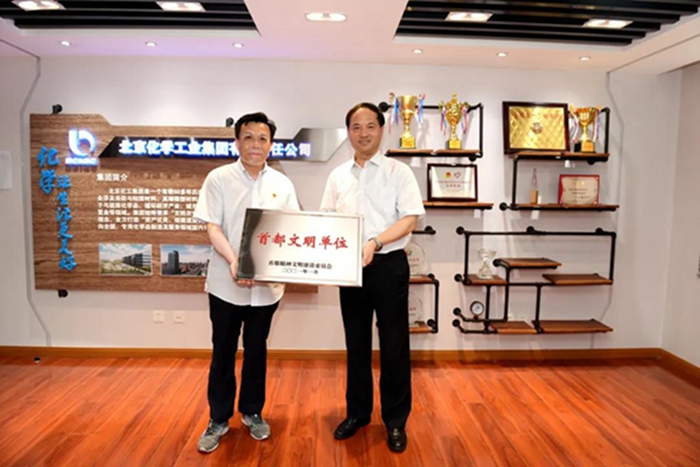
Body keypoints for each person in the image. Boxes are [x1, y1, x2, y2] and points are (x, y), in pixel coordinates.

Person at [320, 102, 425, 453]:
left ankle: (395, 420)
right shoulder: (338, 176)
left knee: (394, 346)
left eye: (369, 126)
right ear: (348, 132)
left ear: (382, 130)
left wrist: (375, 241)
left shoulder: (399, 172)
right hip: (349, 268)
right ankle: (358, 413)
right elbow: (326, 219)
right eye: (355, 127)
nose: (362, 133)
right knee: (356, 343)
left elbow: (409, 219)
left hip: (388, 264)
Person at [193, 112, 300, 453]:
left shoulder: (282, 184)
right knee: (223, 352)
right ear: (237, 141)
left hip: (266, 289)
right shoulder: (219, 178)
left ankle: (252, 412)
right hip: (225, 285)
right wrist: (234, 261)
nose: (256, 144)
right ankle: (218, 418)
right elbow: (213, 227)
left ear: (271, 144)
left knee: (256, 351)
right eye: (249, 137)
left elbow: (292, 230)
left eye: (263, 138)